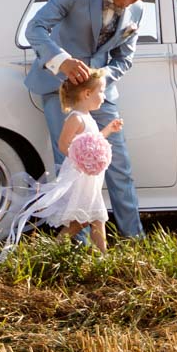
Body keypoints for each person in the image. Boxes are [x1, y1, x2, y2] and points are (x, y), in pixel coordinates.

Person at [23, 0, 155, 238]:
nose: (127, 3)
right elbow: (35, 28)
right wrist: (63, 61)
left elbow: (124, 59)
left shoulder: (136, 9)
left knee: (118, 163)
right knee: (70, 165)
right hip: (62, 88)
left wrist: (100, 76)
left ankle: (134, 237)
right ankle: (78, 245)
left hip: (100, 92)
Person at [36, 70, 118, 252]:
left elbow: (95, 141)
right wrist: (81, 161)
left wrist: (109, 130)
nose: (104, 96)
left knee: (87, 219)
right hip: (81, 176)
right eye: (101, 91)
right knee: (94, 216)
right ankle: (102, 256)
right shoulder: (75, 118)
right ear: (87, 94)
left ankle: (55, 250)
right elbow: (63, 144)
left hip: (91, 177)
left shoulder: (88, 118)